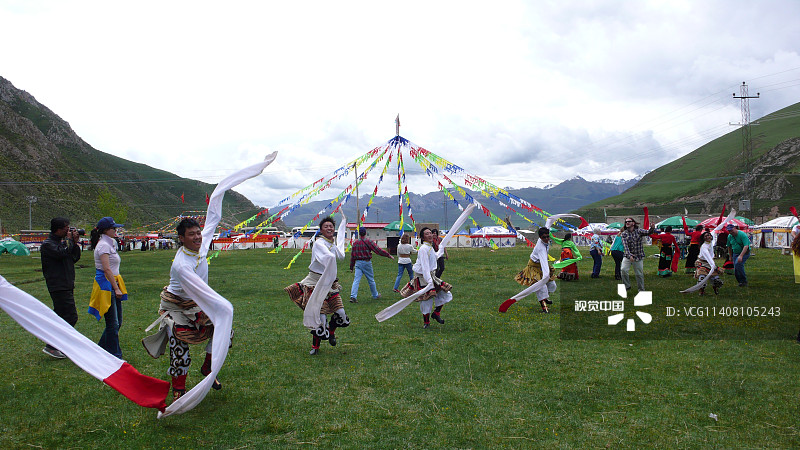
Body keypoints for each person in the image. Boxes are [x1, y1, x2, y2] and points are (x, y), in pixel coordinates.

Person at [154, 218, 224, 399]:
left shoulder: (200, 244)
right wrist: (220, 305)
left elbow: (213, 219)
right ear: (181, 238)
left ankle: (208, 367)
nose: (197, 237)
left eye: (198, 232)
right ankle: (179, 390)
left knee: (224, 329)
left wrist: (221, 191)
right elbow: (200, 291)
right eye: (191, 234)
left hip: (194, 304)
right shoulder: (182, 265)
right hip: (176, 307)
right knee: (179, 345)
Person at [285, 217, 350, 355]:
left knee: (342, 316)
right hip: (315, 283)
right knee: (320, 318)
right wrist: (332, 259)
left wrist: (341, 234)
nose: (329, 228)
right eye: (326, 226)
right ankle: (315, 347)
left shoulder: (331, 244)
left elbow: (341, 256)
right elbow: (328, 257)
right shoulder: (319, 243)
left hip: (330, 284)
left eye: (331, 226)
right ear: (321, 230)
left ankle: (331, 332)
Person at [40, 217, 82, 359]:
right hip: (58, 285)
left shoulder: (62, 244)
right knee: (71, 315)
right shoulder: (48, 244)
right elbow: (61, 253)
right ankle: (52, 345)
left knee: (60, 316)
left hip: (66, 283)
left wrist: (74, 243)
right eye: (66, 227)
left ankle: (57, 345)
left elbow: (74, 257)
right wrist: (69, 242)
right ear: (58, 229)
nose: (68, 230)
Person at [396, 227, 453, 327]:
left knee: (445, 293)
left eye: (430, 233)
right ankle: (426, 323)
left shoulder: (429, 247)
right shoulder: (423, 249)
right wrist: (429, 281)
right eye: (427, 234)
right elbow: (425, 266)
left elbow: (434, 257)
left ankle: (436, 313)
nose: (430, 235)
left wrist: (441, 249)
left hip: (430, 277)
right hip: (423, 277)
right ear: (422, 237)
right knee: (426, 300)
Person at [88, 217, 127, 359]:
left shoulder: (111, 243)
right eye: (113, 228)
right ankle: (115, 354)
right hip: (106, 284)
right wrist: (115, 288)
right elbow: (106, 269)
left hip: (113, 281)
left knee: (117, 322)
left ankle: (100, 349)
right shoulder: (103, 245)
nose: (115, 230)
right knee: (113, 322)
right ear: (105, 230)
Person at [510, 227, 556, 312]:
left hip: (542, 266)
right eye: (544, 237)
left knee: (552, 284)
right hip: (534, 267)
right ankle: (544, 307)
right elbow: (543, 260)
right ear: (540, 237)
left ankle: (545, 298)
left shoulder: (546, 242)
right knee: (541, 286)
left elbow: (547, 224)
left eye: (547, 236)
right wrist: (546, 275)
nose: (546, 239)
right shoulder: (541, 248)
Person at [349, 227, 394, 303]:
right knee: (371, 280)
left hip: (358, 263)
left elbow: (352, 256)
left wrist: (351, 267)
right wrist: (388, 255)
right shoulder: (369, 241)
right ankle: (375, 295)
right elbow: (378, 250)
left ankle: (353, 296)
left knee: (356, 280)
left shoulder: (355, 243)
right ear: (365, 233)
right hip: (366, 262)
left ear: (359, 234)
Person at [619, 217, 655, 292]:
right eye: (626, 222)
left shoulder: (639, 231)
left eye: (629, 221)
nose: (627, 223)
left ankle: (641, 289)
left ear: (633, 223)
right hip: (628, 256)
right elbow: (625, 246)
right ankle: (627, 286)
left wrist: (652, 228)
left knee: (639, 273)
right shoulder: (624, 234)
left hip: (638, 256)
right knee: (623, 269)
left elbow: (648, 232)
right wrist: (629, 256)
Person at [694, 231, 723, 296]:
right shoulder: (704, 247)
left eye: (709, 235)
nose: (708, 237)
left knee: (716, 280)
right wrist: (714, 266)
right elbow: (708, 258)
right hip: (703, 263)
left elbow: (717, 228)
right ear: (703, 238)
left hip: (710, 263)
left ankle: (715, 289)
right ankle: (701, 291)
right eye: (706, 236)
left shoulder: (711, 242)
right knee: (702, 278)